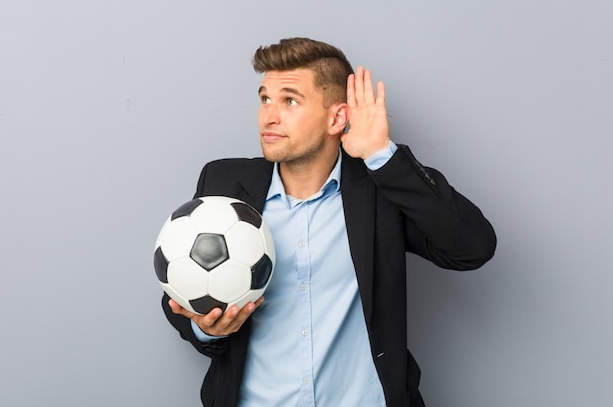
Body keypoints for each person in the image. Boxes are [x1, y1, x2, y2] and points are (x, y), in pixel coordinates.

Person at [161, 37, 496, 407]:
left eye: (289, 100)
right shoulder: (224, 182)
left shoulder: (379, 190)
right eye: (264, 98)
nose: (268, 115)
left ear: (337, 118)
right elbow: (186, 283)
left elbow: (472, 248)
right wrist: (203, 328)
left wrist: (381, 155)